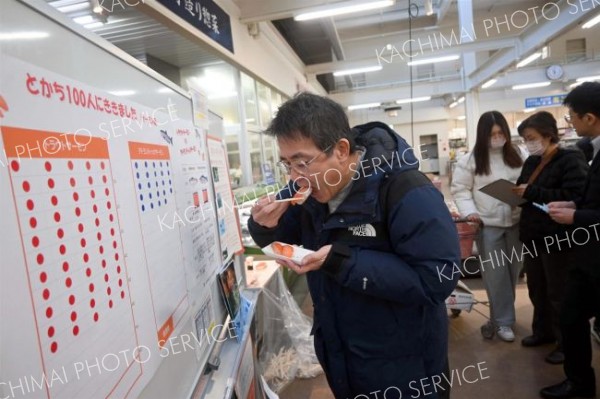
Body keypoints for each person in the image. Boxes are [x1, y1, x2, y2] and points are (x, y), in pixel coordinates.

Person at [248, 92, 460, 399]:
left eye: (302, 162)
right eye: (287, 164)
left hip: (404, 367)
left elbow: (436, 279)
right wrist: (263, 225)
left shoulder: (406, 191)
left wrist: (342, 262)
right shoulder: (309, 191)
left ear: (342, 150)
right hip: (341, 354)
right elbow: (283, 240)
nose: (295, 176)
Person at [512, 111, 588, 364]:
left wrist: (533, 192)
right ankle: (542, 331)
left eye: (531, 137)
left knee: (560, 293)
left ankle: (565, 344)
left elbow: (576, 195)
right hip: (533, 235)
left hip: (558, 237)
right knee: (537, 288)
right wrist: (516, 193)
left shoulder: (570, 158)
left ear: (548, 134)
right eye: (524, 139)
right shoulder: (532, 161)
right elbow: (524, 188)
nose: (528, 143)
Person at [541, 82, 600, 399]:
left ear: (589, 118)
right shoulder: (593, 149)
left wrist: (577, 218)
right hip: (587, 257)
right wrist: (575, 206)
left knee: (573, 315)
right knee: (571, 316)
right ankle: (580, 384)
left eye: (573, 117)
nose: (571, 124)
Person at [451, 110, 527, 342]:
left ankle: (499, 318)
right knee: (495, 275)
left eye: (500, 132)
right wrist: (470, 212)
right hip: (488, 225)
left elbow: (530, 180)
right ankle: (504, 322)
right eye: (492, 133)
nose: (497, 137)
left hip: (517, 222)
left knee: (513, 273)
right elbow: (460, 190)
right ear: (482, 135)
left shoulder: (519, 154)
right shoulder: (470, 161)